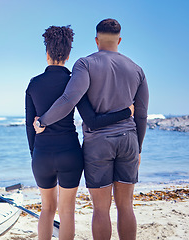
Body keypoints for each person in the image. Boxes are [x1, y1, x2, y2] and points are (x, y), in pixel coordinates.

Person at [33, 19, 149, 240]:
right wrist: (139, 148)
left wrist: (43, 121)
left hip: (98, 144)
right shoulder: (137, 70)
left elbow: (69, 99)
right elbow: (141, 114)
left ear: (96, 40)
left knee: (101, 209)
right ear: (120, 40)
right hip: (129, 140)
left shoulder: (85, 64)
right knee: (126, 206)